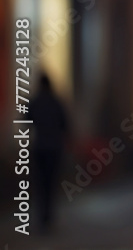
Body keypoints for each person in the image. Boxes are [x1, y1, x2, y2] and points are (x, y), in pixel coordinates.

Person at [27, 73, 68, 232]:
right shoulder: (56, 102)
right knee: (50, 184)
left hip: (39, 148)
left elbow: (26, 120)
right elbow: (65, 124)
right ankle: (49, 217)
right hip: (54, 149)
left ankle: (42, 218)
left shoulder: (35, 101)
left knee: (40, 184)